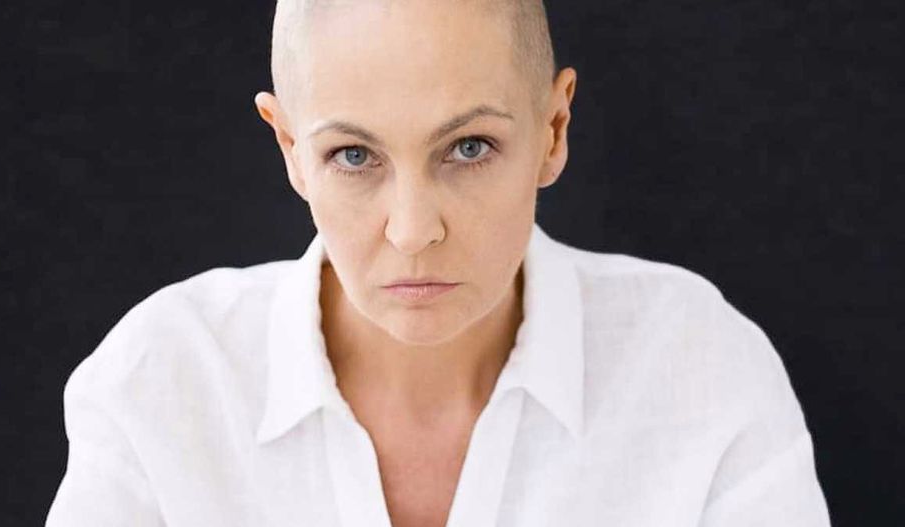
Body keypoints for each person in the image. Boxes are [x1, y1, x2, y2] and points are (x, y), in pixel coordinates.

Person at [45, 0, 832, 526]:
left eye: (469, 147)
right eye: (354, 155)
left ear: (553, 129)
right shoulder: (160, 385)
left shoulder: (702, 370)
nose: (414, 231)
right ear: (290, 149)